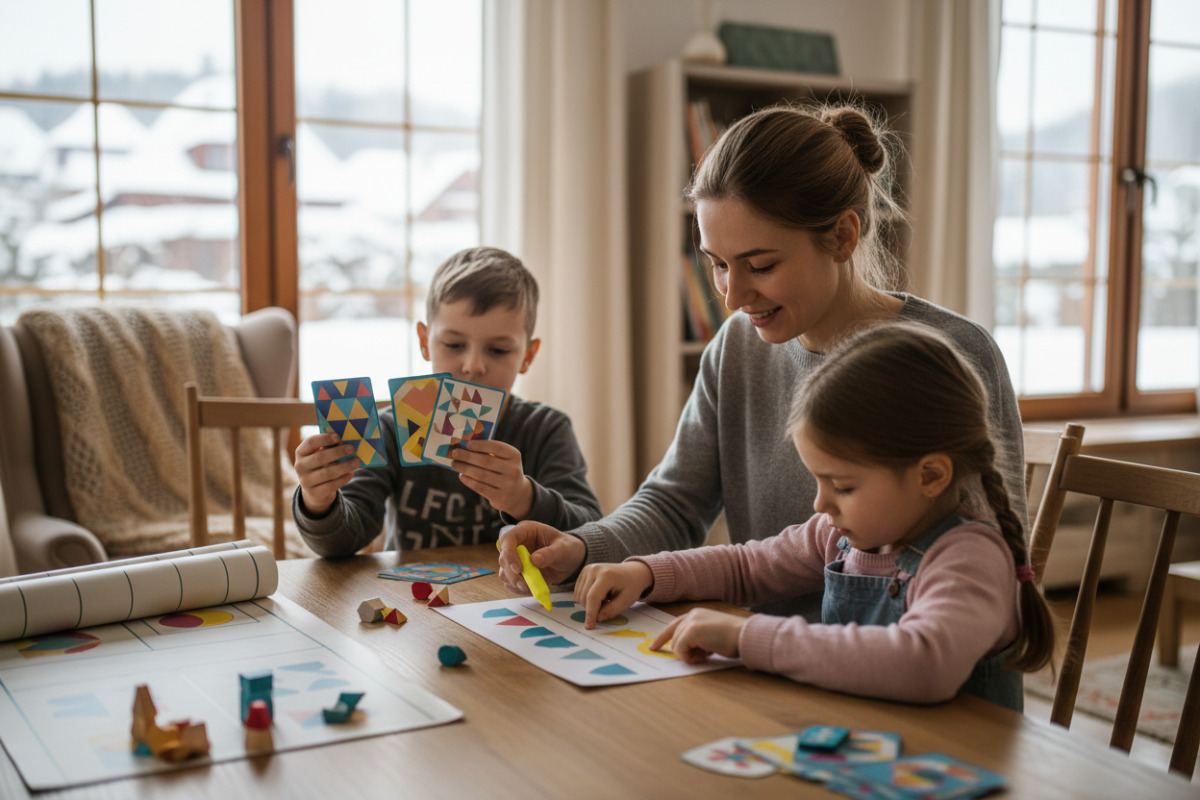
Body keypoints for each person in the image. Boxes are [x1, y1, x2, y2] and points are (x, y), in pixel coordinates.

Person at [498, 102, 1026, 609]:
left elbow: (1000, 567)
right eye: (718, 264)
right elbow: (674, 504)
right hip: (762, 666)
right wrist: (584, 547)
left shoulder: (952, 355)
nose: (732, 296)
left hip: (911, 668)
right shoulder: (736, 348)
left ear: (843, 235)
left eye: (761, 264)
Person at [572, 323, 1055, 710]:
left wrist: (748, 636)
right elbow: (748, 566)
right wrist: (646, 573)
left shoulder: (968, 557)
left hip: (958, 769)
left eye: (842, 486)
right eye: (818, 481)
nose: (820, 505)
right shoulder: (842, 534)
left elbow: (923, 664)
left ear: (930, 475)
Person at [293, 246, 603, 557]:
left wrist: (524, 497)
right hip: (412, 597)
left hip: (508, 597)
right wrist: (318, 501)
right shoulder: (390, 428)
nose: (473, 365)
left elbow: (590, 531)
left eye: (498, 350)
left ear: (528, 356)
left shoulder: (545, 429)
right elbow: (343, 541)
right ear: (425, 343)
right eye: (454, 344)